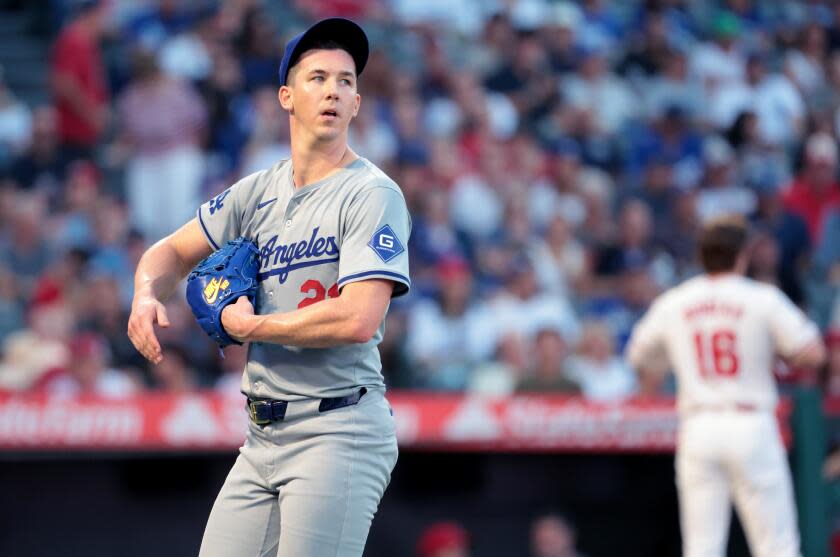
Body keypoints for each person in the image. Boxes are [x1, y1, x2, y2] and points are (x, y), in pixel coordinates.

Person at [127, 18, 410, 557]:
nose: (333, 90)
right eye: (318, 77)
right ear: (286, 96)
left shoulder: (372, 193)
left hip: (338, 427)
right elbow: (167, 253)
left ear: (356, 103)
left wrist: (254, 326)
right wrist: (145, 293)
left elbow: (358, 319)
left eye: (346, 81)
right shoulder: (256, 191)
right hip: (261, 435)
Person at [625, 215, 827, 557]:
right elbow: (813, 353)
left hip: (699, 424)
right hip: (750, 422)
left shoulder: (677, 300)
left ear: (702, 256)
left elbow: (639, 356)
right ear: (741, 255)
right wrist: (776, 354)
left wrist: (670, 361)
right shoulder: (761, 298)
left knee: (703, 547)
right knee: (776, 545)